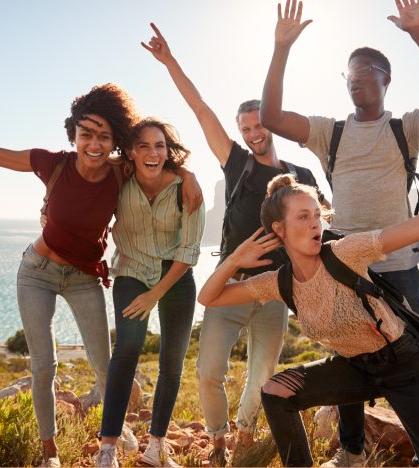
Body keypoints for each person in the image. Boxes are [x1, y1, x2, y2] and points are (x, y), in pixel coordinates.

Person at [0, 85, 202, 467]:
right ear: (73, 134)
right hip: (38, 272)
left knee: (107, 363)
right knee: (43, 365)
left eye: (104, 136)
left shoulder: (121, 170)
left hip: (84, 277)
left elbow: (156, 158)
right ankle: (51, 452)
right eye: (86, 134)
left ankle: (114, 429)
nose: (94, 144)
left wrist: (187, 172)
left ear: (115, 140)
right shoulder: (53, 163)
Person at [198, 165, 419, 467]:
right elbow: (209, 297)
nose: (314, 225)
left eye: (317, 215)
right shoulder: (280, 282)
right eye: (302, 217)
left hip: (406, 366)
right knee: (276, 392)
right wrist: (233, 260)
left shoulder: (345, 252)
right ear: (279, 229)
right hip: (355, 368)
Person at [259, 0, 419, 464]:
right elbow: (271, 116)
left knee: (418, 367)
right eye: (349, 73)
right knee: (350, 356)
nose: (356, 77)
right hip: (342, 268)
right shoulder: (328, 133)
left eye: (366, 70)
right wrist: (281, 49)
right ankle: (352, 451)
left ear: (385, 79)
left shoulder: (405, 128)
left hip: (397, 269)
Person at [141, 23, 328, 466]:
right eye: (245, 127)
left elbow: (325, 229)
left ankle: (244, 431)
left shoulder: (303, 176)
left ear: (271, 122)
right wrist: (170, 62)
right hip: (228, 285)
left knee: (262, 374)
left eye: (258, 124)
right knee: (209, 372)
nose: (252, 133)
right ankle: (218, 439)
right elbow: (200, 106)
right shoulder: (237, 163)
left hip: (275, 291)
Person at [95, 118, 205, 468]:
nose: (152, 153)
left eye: (159, 146)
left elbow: (189, 252)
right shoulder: (119, 179)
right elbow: (90, 196)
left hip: (175, 277)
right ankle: (107, 448)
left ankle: (156, 446)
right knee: (126, 348)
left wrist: (156, 293)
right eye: (143, 146)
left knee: (172, 363)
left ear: (167, 151)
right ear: (130, 151)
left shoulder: (186, 189)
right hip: (130, 272)